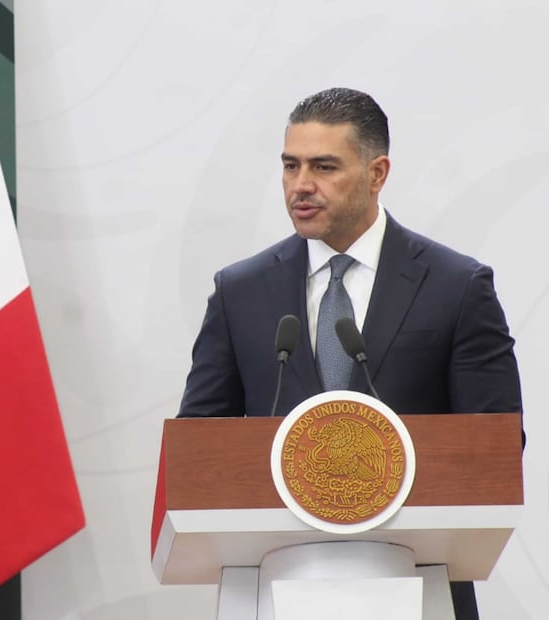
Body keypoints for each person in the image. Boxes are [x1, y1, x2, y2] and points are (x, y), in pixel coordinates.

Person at [177, 87, 522, 619]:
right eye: (290, 166)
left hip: (419, 585)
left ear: (376, 173)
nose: (300, 185)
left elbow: (496, 443)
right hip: (273, 586)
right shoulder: (240, 291)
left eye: (323, 167)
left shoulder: (455, 286)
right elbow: (199, 447)